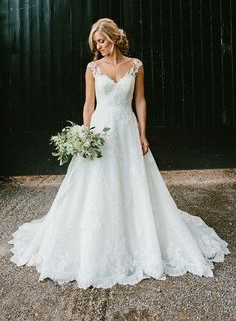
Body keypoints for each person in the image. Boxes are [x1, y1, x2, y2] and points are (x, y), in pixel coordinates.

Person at [9, 18, 229, 289]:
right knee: (96, 186)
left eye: (101, 41)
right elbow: (89, 104)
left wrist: (143, 133)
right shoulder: (92, 68)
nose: (98, 46)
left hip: (126, 130)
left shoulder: (135, 66)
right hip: (100, 133)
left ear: (113, 37)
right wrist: (85, 134)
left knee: (132, 183)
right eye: (95, 43)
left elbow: (140, 100)